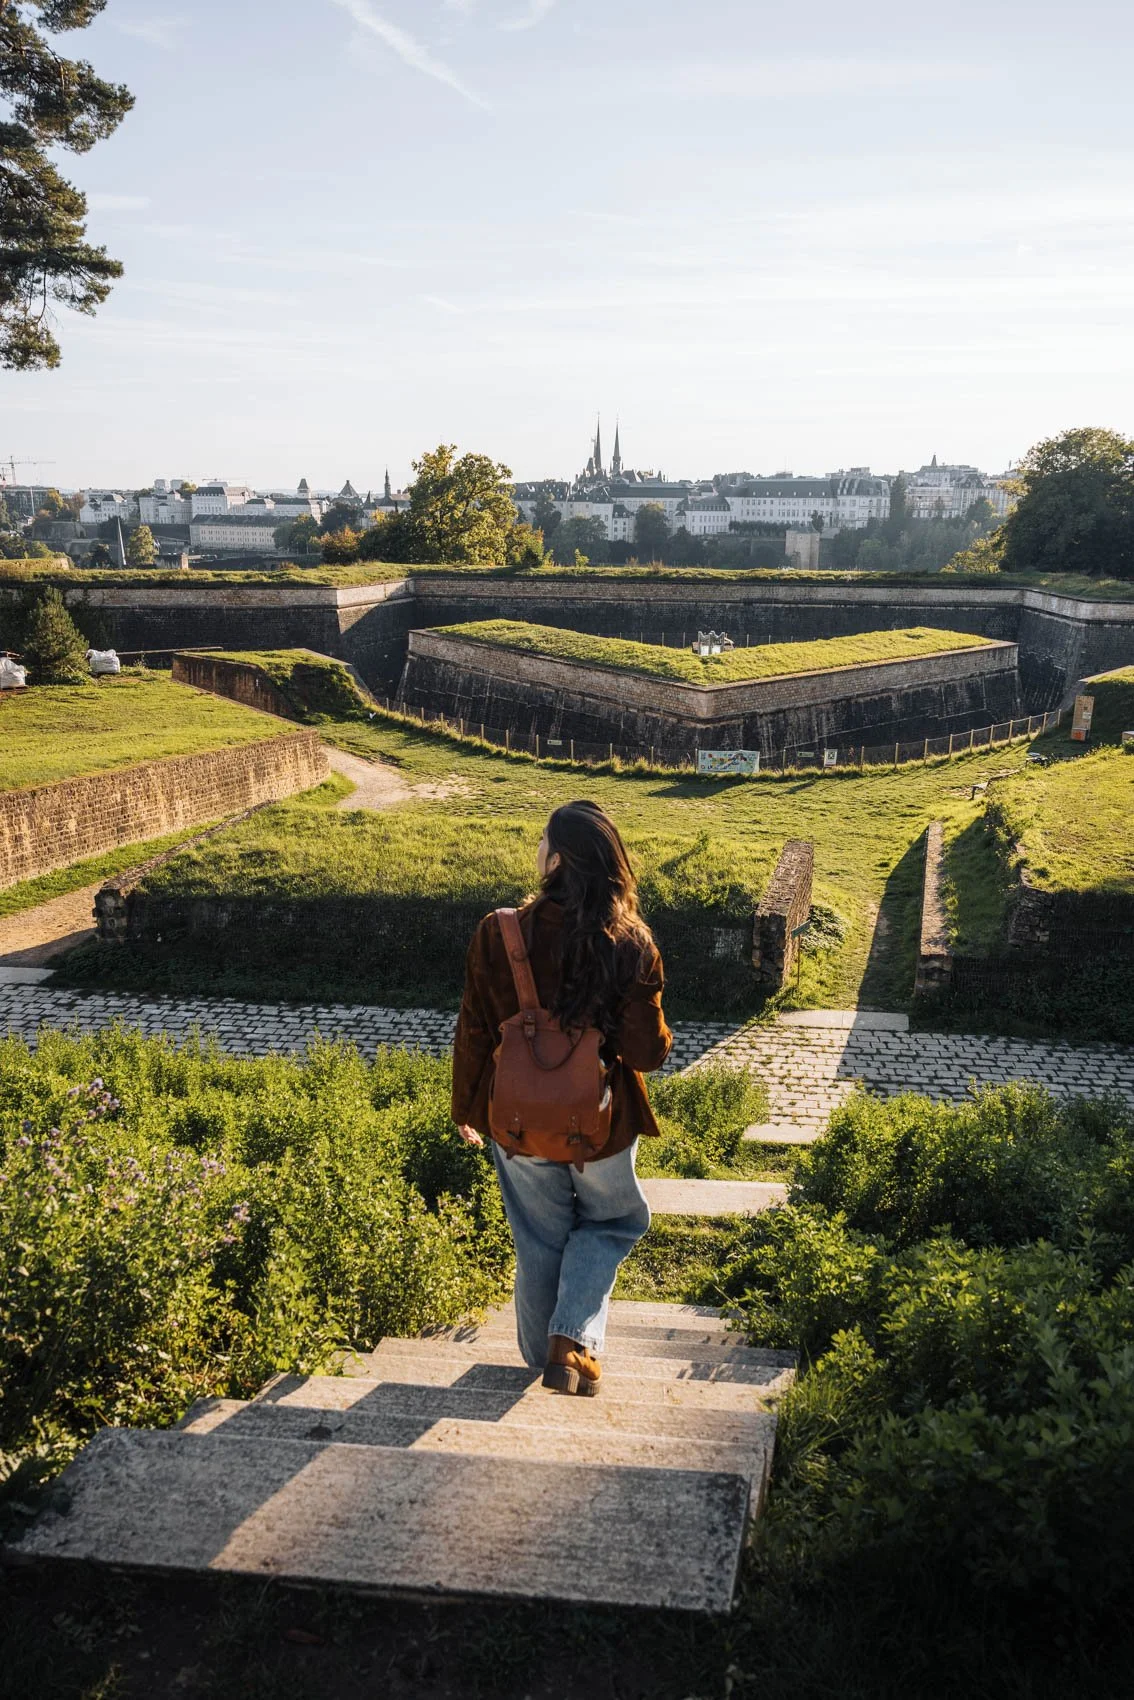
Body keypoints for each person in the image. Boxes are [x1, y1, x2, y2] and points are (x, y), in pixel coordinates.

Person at [451, 799, 672, 1396]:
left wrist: (468, 1108)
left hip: (517, 1121)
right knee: (613, 1222)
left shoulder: (498, 933)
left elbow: (474, 1029)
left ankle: (542, 1362)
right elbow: (646, 1054)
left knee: (539, 1240)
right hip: (599, 1125)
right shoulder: (632, 944)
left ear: (557, 859)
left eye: (543, 839)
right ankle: (569, 1342)